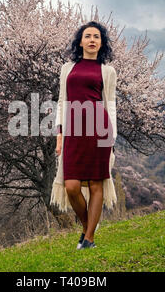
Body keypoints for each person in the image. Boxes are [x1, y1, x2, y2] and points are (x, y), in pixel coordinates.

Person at [51, 21, 118, 250]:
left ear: (102, 43)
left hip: (99, 128)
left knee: (96, 184)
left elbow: (110, 104)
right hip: (73, 129)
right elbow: (62, 101)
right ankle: (87, 226)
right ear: (80, 41)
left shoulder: (107, 71)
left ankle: (88, 239)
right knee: (71, 186)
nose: (92, 40)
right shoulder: (67, 69)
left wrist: (112, 137)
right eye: (87, 36)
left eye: (96, 37)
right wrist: (59, 134)